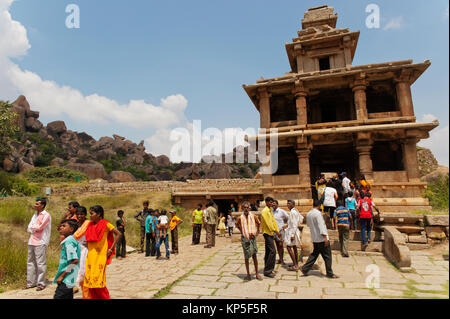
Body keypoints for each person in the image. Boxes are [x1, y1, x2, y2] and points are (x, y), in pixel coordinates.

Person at [84, 205, 122, 299]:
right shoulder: (89, 224)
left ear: (98, 214)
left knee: (99, 279)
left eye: (92, 213)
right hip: (91, 254)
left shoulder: (106, 224)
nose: (90, 215)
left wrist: (111, 248)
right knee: (90, 279)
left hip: (101, 255)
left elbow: (118, 234)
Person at [301, 199, 338, 279]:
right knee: (327, 256)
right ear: (319, 205)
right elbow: (321, 226)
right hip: (321, 238)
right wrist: (325, 237)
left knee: (314, 254)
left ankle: (305, 268)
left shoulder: (309, 214)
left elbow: (309, 225)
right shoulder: (318, 214)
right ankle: (329, 273)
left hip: (315, 238)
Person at [26, 197, 51, 291]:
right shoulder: (35, 215)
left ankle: (41, 283)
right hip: (32, 240)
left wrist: (33, 227)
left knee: (40, 263)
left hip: (41, 241)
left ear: (42, 205)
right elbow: (29, 227)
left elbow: (40, 227)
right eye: (35, 203)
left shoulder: (46, 215)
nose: (35, 205)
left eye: (37, 204)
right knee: (30, 262)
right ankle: (31, 282)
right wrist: (33, 227)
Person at [235, 201, 262, 281]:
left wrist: (257, 232)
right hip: (245, 238)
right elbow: (236, 224)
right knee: (246, 257)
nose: (246, 209)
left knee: (254, 255)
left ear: (249, 208)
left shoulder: (253, 216)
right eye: (245, 207)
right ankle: (248, 274)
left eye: (247, 207)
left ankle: (257, 273)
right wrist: (242, 231)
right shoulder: (240, 217)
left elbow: (259, 223)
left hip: (252, 238)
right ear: (242, 208)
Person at [53, 219, 80, 299]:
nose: (61, 227)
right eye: (61, 226)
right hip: (70, 279)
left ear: (71, 229)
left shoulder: (69, 242)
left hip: (66, 279)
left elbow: (75, 261)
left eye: (64, 226)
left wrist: (62, 276)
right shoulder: (71, 240)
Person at [260, 197, 281, 278]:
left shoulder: (270, 210)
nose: (272, 204)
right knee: (273, 251)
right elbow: (268, 223)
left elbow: (273, 221)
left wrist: (276, 230)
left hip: (271, 233)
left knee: (269, 251)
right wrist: (275, 231)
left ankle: (267, 268)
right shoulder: (265, 211)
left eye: (272, 202)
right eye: (271, 202)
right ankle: (268, 271)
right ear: (266, 202)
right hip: (267, 233)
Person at [73, 206, 90, 299]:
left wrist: (90, 242)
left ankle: (88, 296)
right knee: (80, 274)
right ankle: (85, 295)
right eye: (78, 214)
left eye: (81, 214)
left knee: (86, 274)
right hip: (77, 250)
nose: (79, 216)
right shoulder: (76, 225)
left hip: (86, 251)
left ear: (85, 214)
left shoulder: (88, 224)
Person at [285, 200, 303, 271]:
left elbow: (294, 224)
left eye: (289, 203)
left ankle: (295, 265)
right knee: (294, 247)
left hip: (293, 232)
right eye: (287, 203)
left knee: (289, 247)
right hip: (293, 231)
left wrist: (292, 234)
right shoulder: (295, 211)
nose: (287, 205)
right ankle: (295, 263)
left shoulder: (293, 212)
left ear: (293, 204)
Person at [272, 199, 289, 265]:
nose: (273, 205)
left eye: (274, 204)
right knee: (277, 245)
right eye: (272, 204)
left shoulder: (281, 211)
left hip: (280, 230)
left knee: (280, 245)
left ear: (277, 204)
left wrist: (287, 225)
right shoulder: (271, 212)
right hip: (274, 231)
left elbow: (289, 217)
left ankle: (282, 259)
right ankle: (279, 258)